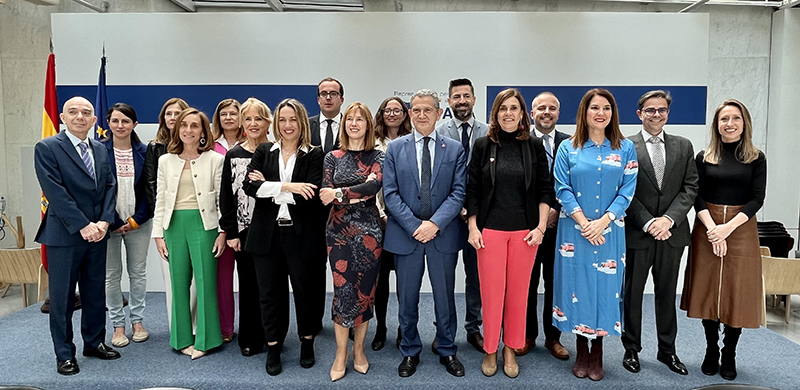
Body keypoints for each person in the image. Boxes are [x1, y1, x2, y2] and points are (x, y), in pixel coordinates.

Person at [552, 88, 637, 381]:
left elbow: (627, 190)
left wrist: (602, 222)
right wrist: (584, 223)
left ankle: (597, 350)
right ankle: (580, 349)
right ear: (584, 112)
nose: (600, 113)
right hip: (574, 232)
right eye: (594, 108)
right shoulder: (568, 148)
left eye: (606, 108)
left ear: (613, 114)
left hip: (609, 231)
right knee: (577, 287)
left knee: (604, 288)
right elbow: (561, 187)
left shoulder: (625, 148)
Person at [465, 88, 552, 378]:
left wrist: (540, 228)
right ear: (495, 113)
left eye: (514, 108)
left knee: (518, 295)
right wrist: (473, 227)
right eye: (503, 108)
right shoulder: (482, 145)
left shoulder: (533, 145)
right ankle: (490, 348)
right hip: (489, 231)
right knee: (491, 295)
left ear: (522, 113)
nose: (508, 113)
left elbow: (545, 189)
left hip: (525, 233)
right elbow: (472, 189)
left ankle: (511, 348)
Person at [680, 99, 766, 381]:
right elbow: (697, 196)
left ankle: (729, 352)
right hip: (707, 226)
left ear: (744, 122)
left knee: (734, 290)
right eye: (724, 119)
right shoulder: (704, 157)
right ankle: (711, 349)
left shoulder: (757, 158)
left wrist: (727, 229)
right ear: (716, 125)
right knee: (708, 290)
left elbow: (757, 199)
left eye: (735, 118)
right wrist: (713, 229)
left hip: (740, 228)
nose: (730, 124)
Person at [383, 89, 467, 378]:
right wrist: (415, 225)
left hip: (442, 235)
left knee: (444, 298)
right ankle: (409, 349)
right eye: (416, 110)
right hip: (406, 236)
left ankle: (447, 349)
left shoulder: (454, 149)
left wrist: (434, 224)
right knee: (407, 299)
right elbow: (390, 194)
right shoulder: (395, 148)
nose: (421, 115)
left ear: (439, 113)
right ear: (409, 114)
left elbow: (458, 193)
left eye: (427, 110)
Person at [34, 96, 120, 375]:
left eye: (86, 112)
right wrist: (83, 225)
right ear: (63, 118)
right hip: (65, 235)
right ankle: (64, 353)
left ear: (94, 120)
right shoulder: (47, 147)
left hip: (98, 233)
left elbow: (110, 186)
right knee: (63, 298)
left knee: (95, 292)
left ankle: (94, 343)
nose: (79, 117)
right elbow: (55, 191)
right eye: (73, 112)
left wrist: (104, 221)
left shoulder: (100, 148)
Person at [242, 99, 327, 376]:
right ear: (275, 123)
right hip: (267, 235)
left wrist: (269, 187)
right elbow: (250, 187)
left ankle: (307, 342)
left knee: (305, 292)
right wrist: (289, 186)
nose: (287, 125)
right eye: (282, 120)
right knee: (269, 294)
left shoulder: (315, 154)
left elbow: (311, 195)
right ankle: (274, 346)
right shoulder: (264, 150)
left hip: (301, 235)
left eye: (292, 119)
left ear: (301, 122)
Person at [622, 91, 698, 376]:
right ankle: (631, 348)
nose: (656, 115)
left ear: (668, 113)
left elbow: (690, 187)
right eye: (650, 110)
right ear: (639, 113)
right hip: (638, 233)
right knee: (632, 294)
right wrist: (648, 222)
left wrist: (668, 220)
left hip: (671, 234)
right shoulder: (625, 146)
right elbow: (624, 190)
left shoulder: (683, 145)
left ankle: (667, 350)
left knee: (666, 294)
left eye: (662, 110)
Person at [151, 108, 227, 360]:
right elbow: (160, 199)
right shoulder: (165, 160)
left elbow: (221, 199)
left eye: (195, 126)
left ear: (203, 131)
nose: (188, 130)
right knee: (178, 284)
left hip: (205, 226)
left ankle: (207, 339)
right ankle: (181, 339)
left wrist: (222, 232)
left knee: (206, 283)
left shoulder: (215, 160)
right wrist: (158, 235)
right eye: (184, 125)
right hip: (173, 226)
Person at [320, 102, 385, 381]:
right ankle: (340, 352)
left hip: (369, 231)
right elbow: (325, 193)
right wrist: (353, 192)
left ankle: (359, 350)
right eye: (350, 119)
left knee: (365, 291)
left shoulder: (378, 155)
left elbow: (374, 187)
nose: (354, 123)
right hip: (338, 232)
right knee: (343, 290)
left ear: (368, 125)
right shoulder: (332, 157)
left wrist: (340, 193)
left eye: (360, 119)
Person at [516, 92, 571, 360]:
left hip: (562, 227)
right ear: (532, 113)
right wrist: (538, 215)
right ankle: (527, 335)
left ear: (558, 113)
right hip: (527, 226)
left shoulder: (571, 144)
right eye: (541, 108)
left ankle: (553, 337)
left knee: (556, 283)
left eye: (552, 108)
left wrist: (556, 210)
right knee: (526, 283)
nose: (546, 112)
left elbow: (574, 183)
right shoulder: (520, 142)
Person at [435, 78, 489, 354]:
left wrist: (473, 210)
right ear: (449, 101)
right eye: (456, 97)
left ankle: (473, 328)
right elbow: (434, 177)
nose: (462, 101)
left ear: (474, 99)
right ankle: (443, 330)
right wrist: (455, 207)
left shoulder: (488, 132)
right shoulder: (438, 132)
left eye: (466, 96)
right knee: (443, 277)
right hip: (446, 217)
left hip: (477, 218)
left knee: (475, 276)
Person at [219, 98, 271, 356]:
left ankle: (272, 336)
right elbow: (226, 197)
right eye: (248, 119)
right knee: (249, 286)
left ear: (267, 123)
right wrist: (231, 232)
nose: (253, 124)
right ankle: (250, 338)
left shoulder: (276, 152)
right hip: (244, 232)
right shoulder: (234, 155)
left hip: (273, 231)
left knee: (270, 287)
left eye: (258, 118)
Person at [103, 103, 153, 348]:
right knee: (111, 275)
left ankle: (137, 322)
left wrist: (135, 220)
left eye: (125, 121)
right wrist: (112, 221)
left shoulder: (146, 152)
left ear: (135, 124)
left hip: (139, 223)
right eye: (115, 120)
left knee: (138, 273)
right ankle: (117, 325)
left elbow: (151, 190)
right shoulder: (98, 150)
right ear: (108, 123)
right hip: (107, 224)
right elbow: (95, 191)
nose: (120, 125)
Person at [143, 97, 192, 328]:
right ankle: (178, 327)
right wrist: (162, 223)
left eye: (178, 113)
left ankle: (195, 324)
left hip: (196, 219)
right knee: (174, 277)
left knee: (197, 279)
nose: (173, 118)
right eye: (169, 113)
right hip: (169, 220)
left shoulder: (199, 146)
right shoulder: (155, 147)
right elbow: (152, 186)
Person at [372, 96, 412, 351]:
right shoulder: (372, 142)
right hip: (377, 219)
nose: (392, 114)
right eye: (388, 110)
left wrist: (403, 217)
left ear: (404, 115)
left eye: (398, 110)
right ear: (381, 113)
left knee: (404, 282)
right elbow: (369, 181)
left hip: (404, 220)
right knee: (380, 281)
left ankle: (402, 328)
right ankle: (381, 328)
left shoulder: (413, 141)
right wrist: (380, 214)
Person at [211, 98, 242, 343]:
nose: (229, 118)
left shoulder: (254, 142)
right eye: (224, 114)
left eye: (233, 113)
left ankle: (254, 326)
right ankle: (226, 328)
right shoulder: (210, 145)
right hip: (222, 221)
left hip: (251, 221)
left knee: (252, 279)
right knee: (222, 278)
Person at [310, 77, 344, 153]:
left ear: (341, 100)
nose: (328, 98)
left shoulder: (349, 125)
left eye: (333, 94)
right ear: (318, 100)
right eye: (324, 94)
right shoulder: (307, 125)